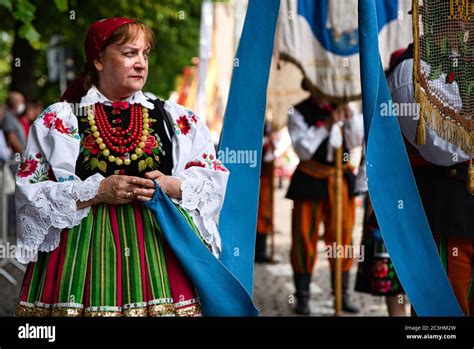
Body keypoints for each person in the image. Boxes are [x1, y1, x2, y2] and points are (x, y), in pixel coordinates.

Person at [15, 17, 229, 317]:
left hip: (157, 250)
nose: (141, 63)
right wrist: (96, 191)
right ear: (99, 60)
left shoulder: (174, 118)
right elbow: (31, 191)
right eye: (129, 53)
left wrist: (172, 185)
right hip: (83, 254)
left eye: (145, 54)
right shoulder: (60, 120)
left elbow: (211, 176)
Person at [286, 79, 364, 315]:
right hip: (309, 180)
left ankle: (342, 293)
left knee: (343, 239)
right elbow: (303, 149)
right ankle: (303, 296)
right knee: (304, 237)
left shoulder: (346, 108)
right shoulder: (297, 112)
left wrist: (349, 118)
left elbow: (356, 141)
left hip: (340, 180)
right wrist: (328, 124)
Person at [255, 120, 275, 263]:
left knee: (264, 214)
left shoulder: (266, 125)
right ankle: (256, 250)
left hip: (264, 180)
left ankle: (261, 250)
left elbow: (270, 157)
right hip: (254, 180)